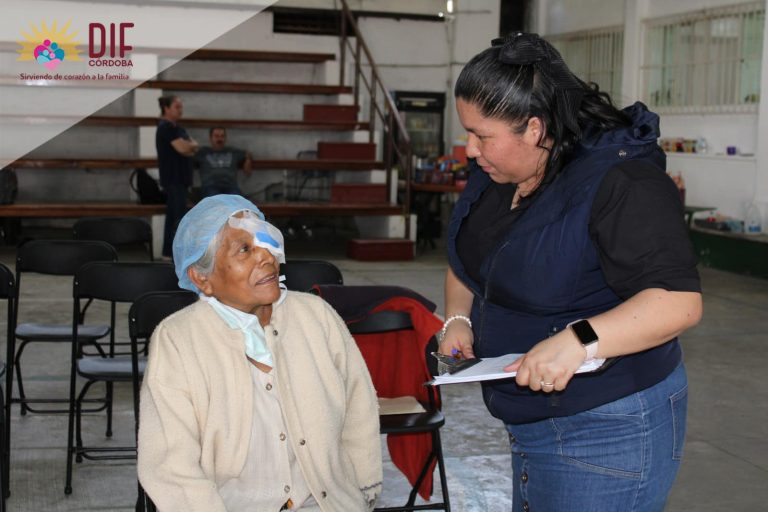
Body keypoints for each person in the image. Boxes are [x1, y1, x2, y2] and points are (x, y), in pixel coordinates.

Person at [439, 33, 702, 512]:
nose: (470, 150)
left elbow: (677, 301)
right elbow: (468, 259)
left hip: (606, 428)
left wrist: (579, 338)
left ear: (535, 129)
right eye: (468, 133)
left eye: (482, 135)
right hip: (528, 423)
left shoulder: (622, 181)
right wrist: (459, 318)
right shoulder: (499, 172)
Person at [137, 194, 382, 511]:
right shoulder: (178, 341)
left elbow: (358, 410)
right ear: (202, 278)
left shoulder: (316, 316)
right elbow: (171, 465)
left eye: (266, 241)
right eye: (245, 249)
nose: (266, 256)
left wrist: (361, 492)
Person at [156, 95, 198, 259]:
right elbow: (184, 148)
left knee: (175, 216)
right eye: (177, 107)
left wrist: (190, 147)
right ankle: (172, 253)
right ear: (166, 108)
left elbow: (191, 146)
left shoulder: (177, 128)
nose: (180, 110)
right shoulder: (166, 127)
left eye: (181, 107)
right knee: (177, 217)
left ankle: (169, 252)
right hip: (173, 179)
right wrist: (190, 146)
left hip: (181, 178)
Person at [194, 127, 253, 198]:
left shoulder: (233, 151)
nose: (219, 139)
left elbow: (248, 170)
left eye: (222, 136)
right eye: (216, 136)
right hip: (210, 186)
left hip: (230, 186)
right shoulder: (203, 152)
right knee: (214, 201)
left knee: (237, 201)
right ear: (210, 138)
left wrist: (248, 159)